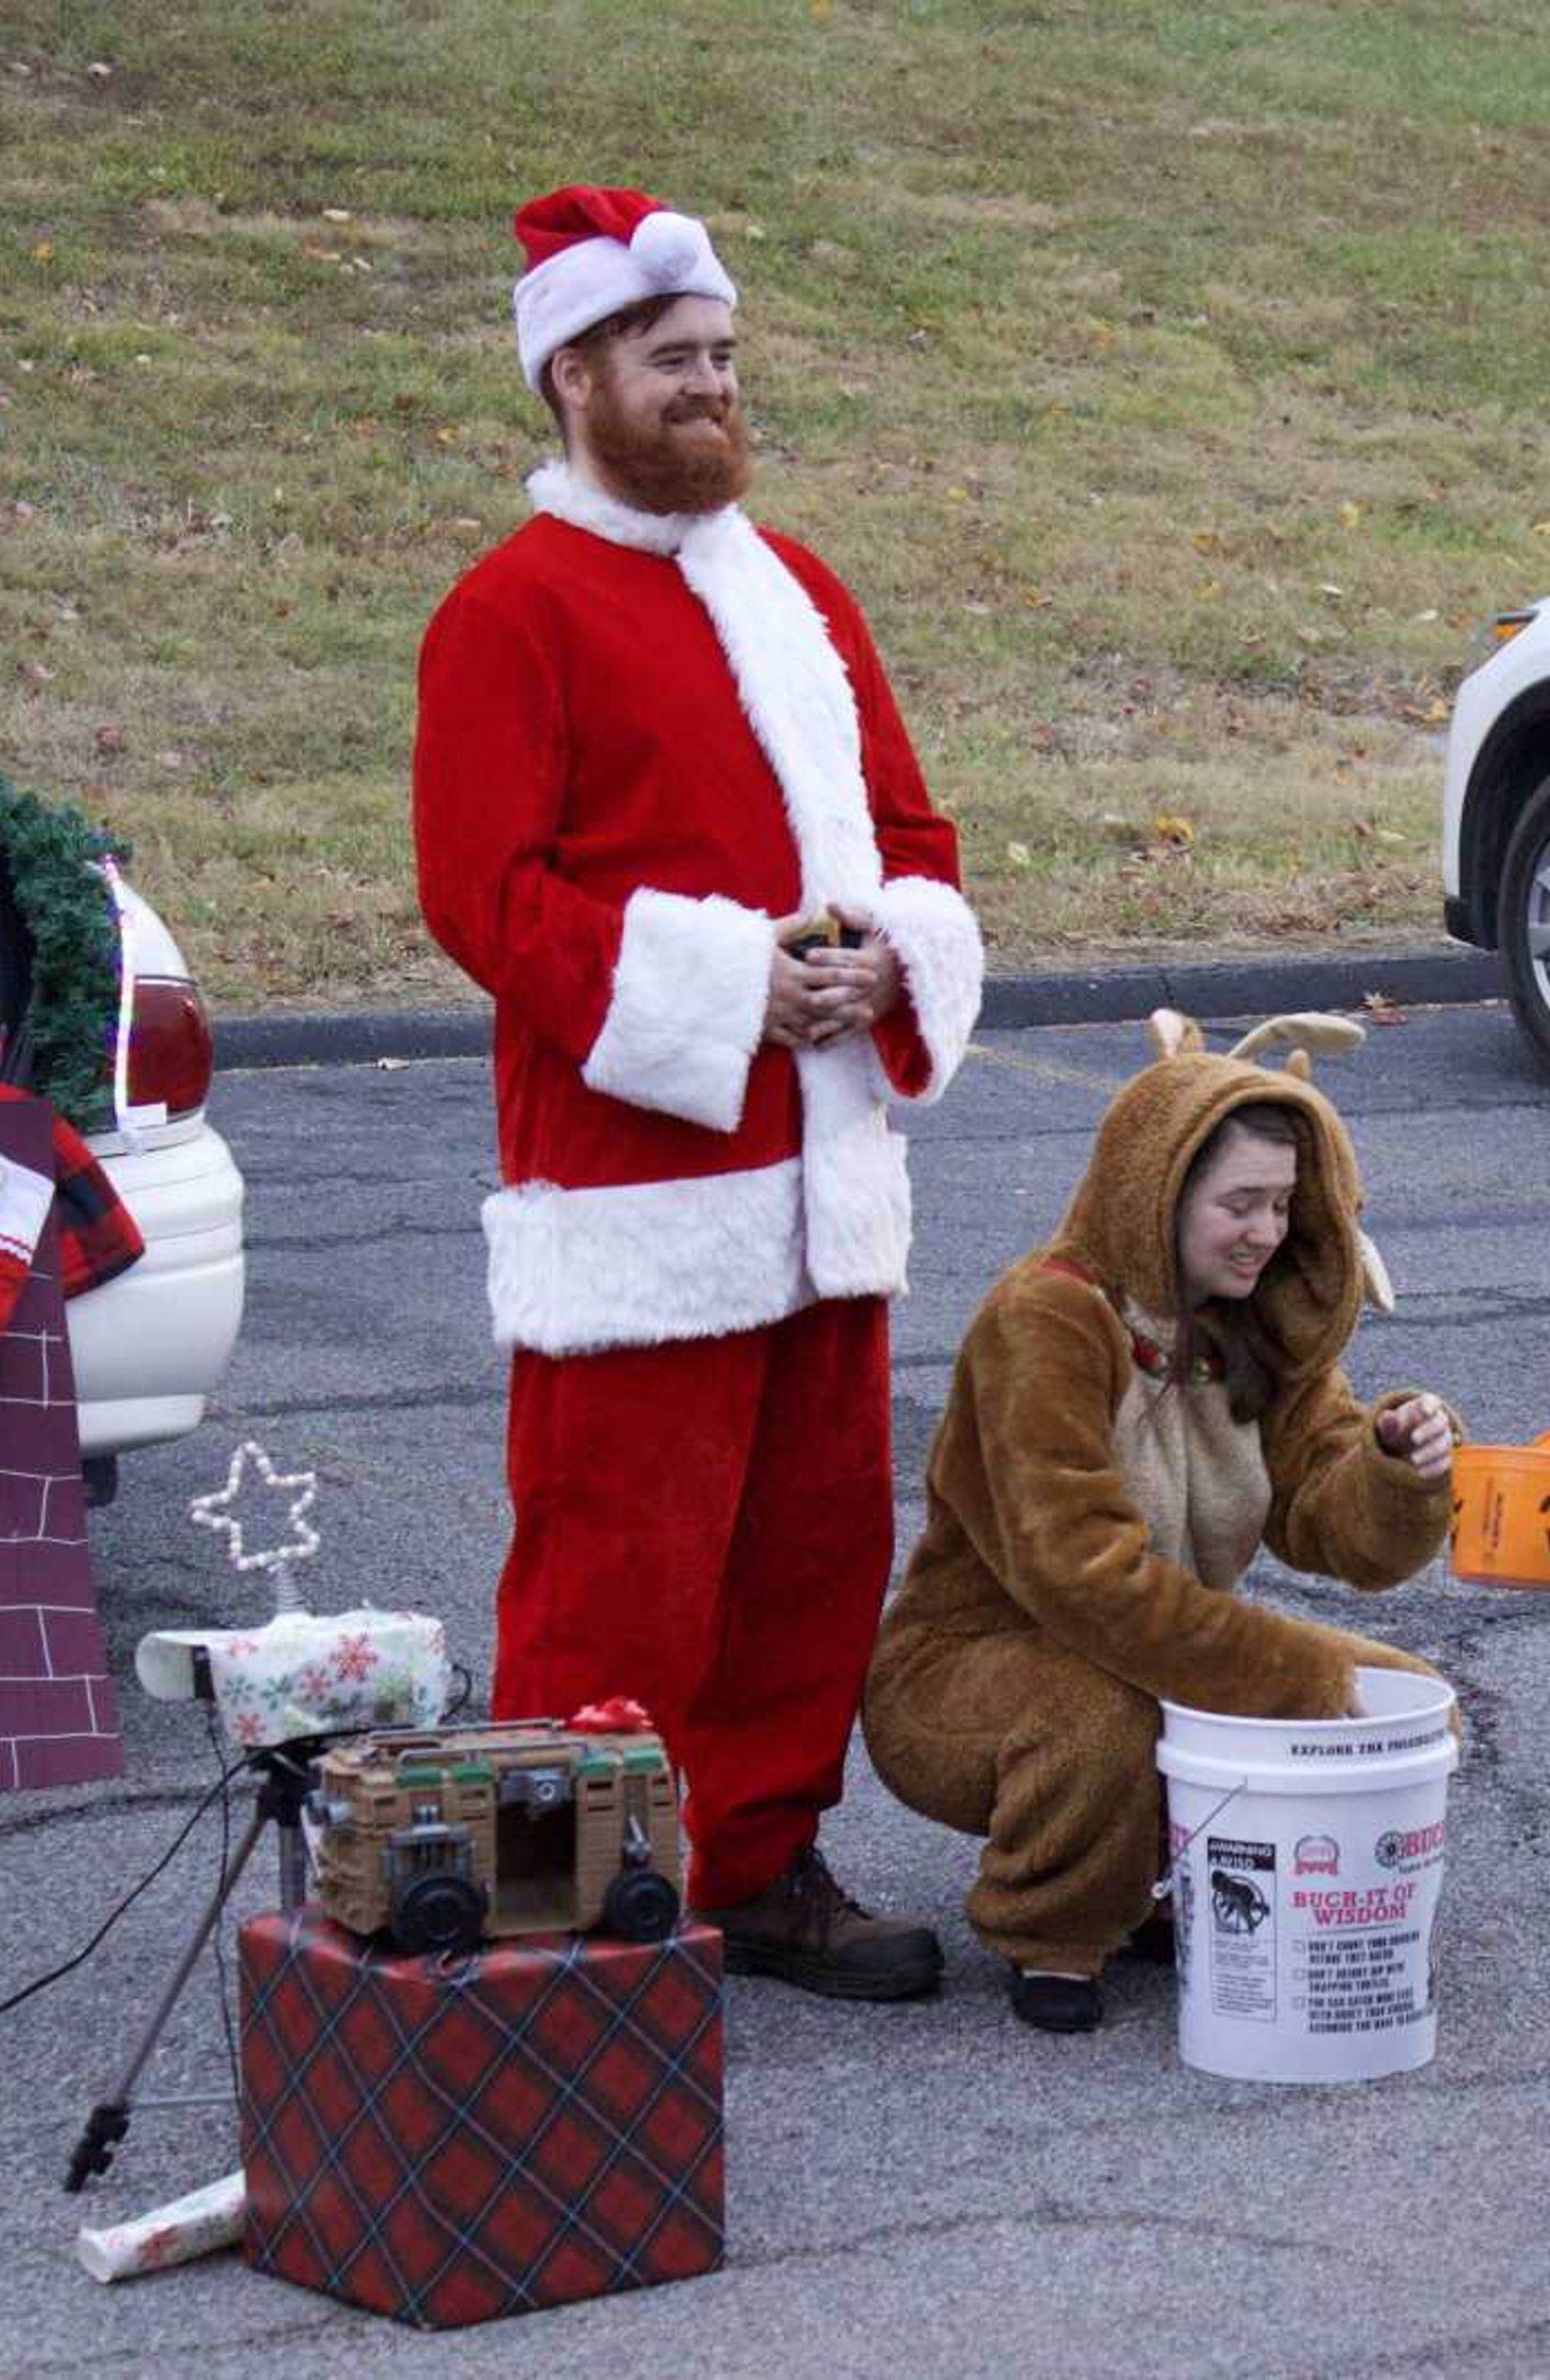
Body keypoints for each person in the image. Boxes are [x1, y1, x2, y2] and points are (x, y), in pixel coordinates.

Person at [410, 184, 988, 2001]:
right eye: (674, 360)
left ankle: (753, 1863)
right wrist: (736, 980)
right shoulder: (508, 615)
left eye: (724, 356)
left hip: (825, 1178)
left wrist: (895, 951)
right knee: (608, 1580)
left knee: (809, 1558)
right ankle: (543, 1921)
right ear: (572, 373)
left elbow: (912, 834)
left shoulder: (799, 588)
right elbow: (487, 898)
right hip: (640, 1199)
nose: (712, 387)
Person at [862, 1013, 1457, 2034]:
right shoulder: (1043, 1319)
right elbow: (1085, 1576)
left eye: (1282, 1203)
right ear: (1159, 1194)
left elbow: (1333, 1522)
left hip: (1149, 1650)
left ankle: (1154, 1871)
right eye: (1240, 1203)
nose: (1268, 1232)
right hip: (964, 1666)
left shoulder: (1251, 1315)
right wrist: (1293, 1678)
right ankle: (1050, 1926)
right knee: (1105, 1713)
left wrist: (1397, 1467)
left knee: (1411, 1703)